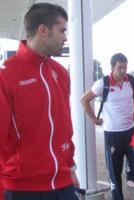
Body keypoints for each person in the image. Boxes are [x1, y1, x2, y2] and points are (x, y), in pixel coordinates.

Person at [0, 3, 79, 200]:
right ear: (43, 30)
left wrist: (70, 166)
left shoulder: (60, 73)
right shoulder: (7, 75)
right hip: (22, 188)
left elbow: (64, 126)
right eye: (62, 30)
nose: (66, 37)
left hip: (63, 183)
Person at [81, 53, 134, 200]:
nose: (123, 70)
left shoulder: (131, 80)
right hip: (113, 134)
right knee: (114, 173)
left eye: (125, 67)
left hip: (131, 131)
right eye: (120, 67)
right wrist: (94, 119)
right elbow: (84, 100)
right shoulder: (103, 83)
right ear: (112, 67)